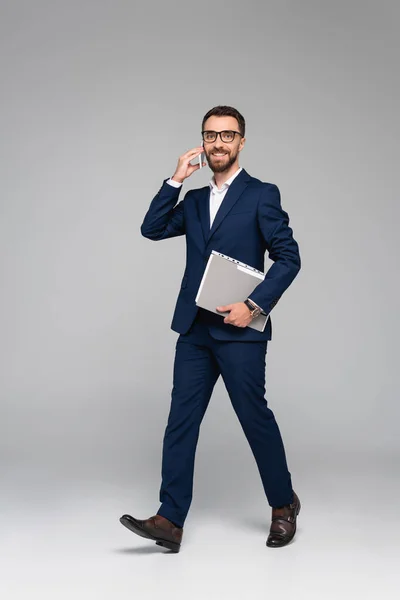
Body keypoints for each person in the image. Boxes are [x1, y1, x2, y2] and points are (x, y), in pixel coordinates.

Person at [120, 105, 301, 552]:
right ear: (203, 142)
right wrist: (176, 179)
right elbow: (152, 228)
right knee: (180, 421)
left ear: (242, 141)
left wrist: (253, 304)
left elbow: (289, 257)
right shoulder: (196, 200)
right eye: (210, 135)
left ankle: (282, 505)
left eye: (228, 135)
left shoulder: (262, 194)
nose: (218, 142)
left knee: (254, 419)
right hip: (195, 330)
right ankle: (170, 520)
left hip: (240, 329)